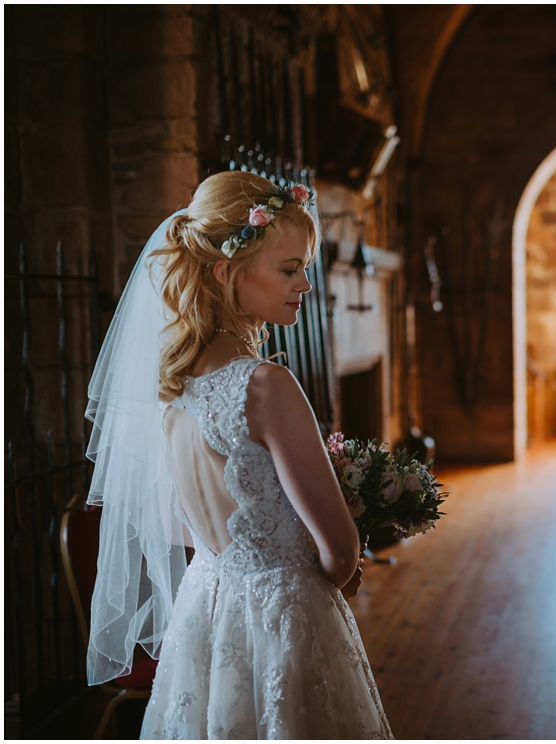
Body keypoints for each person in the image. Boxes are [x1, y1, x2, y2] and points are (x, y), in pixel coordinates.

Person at [85, 170, 392, 738]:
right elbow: (340, 550)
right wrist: (338, 565)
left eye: (305, 267)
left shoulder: (173, 389)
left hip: (207, 610)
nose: (304, 283)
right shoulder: (263, 385)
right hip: (283, 620)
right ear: (227, 272)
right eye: (289, 268)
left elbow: (181, 528)